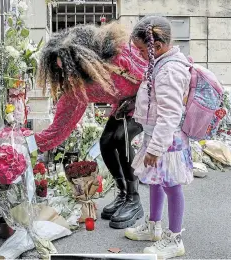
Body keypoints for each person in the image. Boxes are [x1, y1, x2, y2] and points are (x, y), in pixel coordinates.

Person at [35, 22, 148, 228]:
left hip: (148, 101)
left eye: (67, 64)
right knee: (106, 142)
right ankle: (123, 193)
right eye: (59, 67)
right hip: (124, 105)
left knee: (121, 137)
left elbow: (153, 76)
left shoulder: (121, 55)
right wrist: (29, 145)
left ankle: (134, 200)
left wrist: (140, 102)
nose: (65, 71)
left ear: (83, 55)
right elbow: (59, 127)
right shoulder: (76, 87)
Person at [123, 16, 194, 259]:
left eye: (143, 50)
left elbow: (171, 113)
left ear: (158, 46)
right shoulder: (161, 63)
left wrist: (155, 148)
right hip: (157, 135)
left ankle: (175, 238)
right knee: (155, 180)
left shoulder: (169, 70)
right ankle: (154, 226)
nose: (141, 55)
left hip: (167, 139)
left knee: (171, 185)